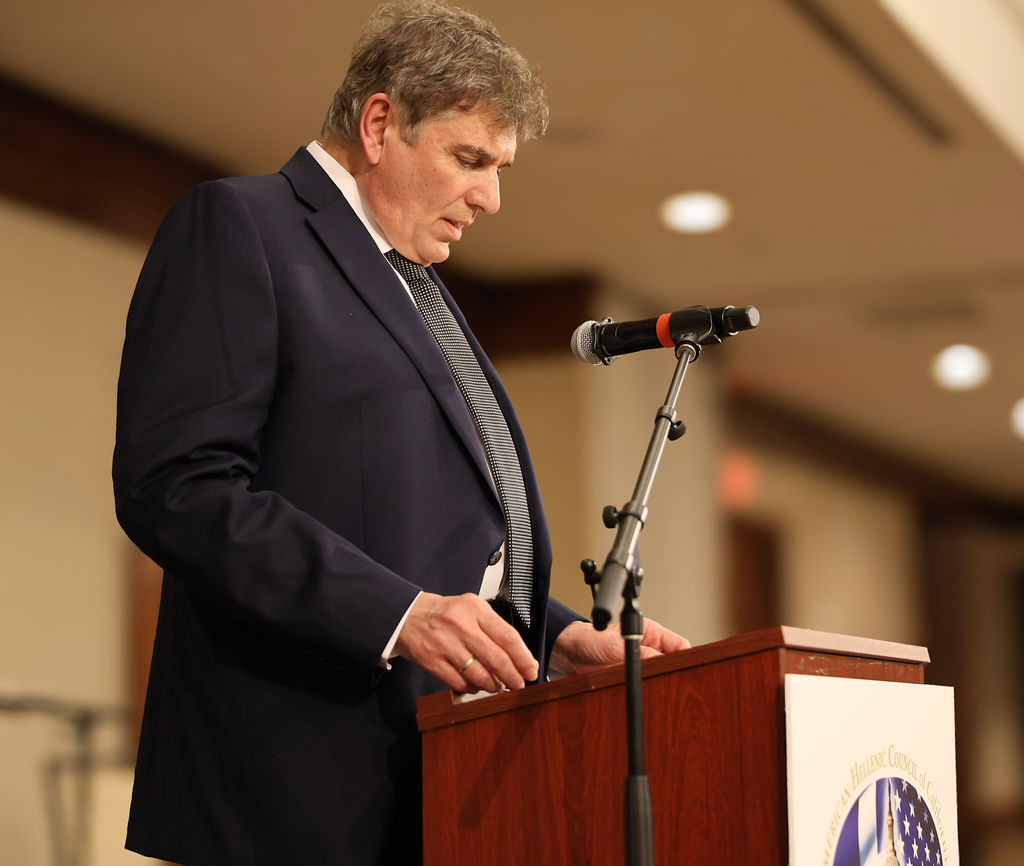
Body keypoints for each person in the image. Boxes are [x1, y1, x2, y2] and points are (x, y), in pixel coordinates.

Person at [113, 2, 688, 864]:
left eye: (499, 168)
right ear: (379, 124)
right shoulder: (241, 226)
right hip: (291, 801)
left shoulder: (414, 280)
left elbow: (432, 538)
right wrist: (395, 615)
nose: (491, 196)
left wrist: (552, 634)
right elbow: (177, 488)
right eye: (470, 159)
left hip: (428, 790)